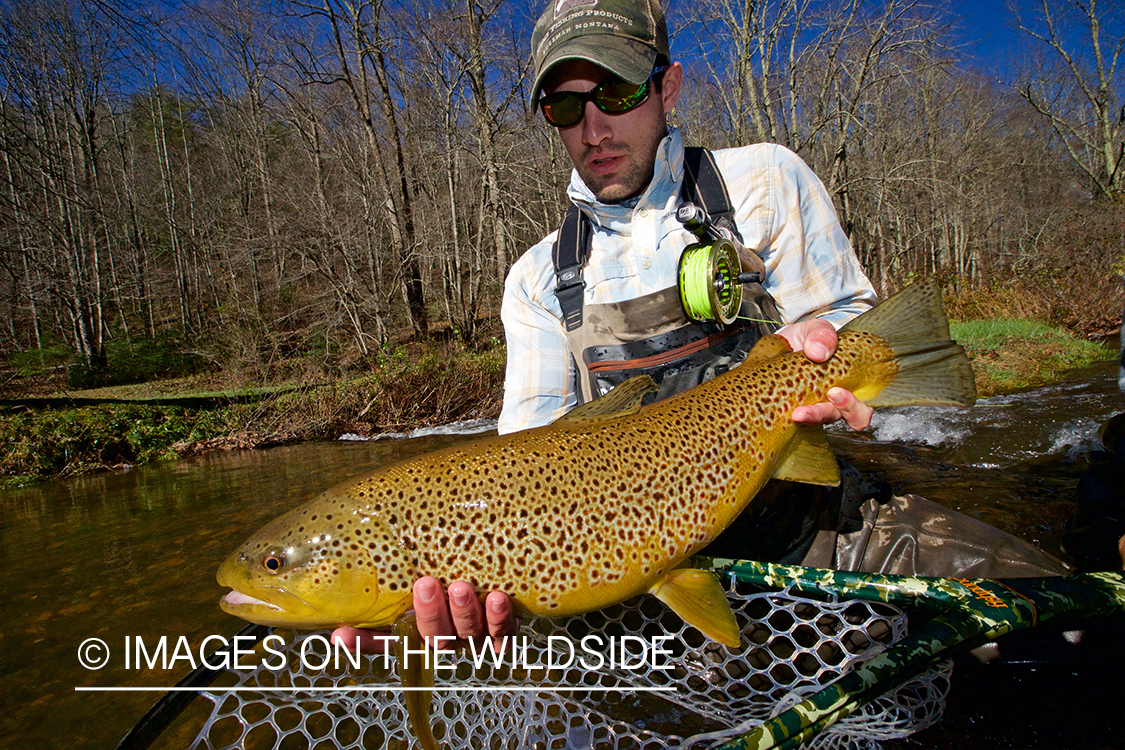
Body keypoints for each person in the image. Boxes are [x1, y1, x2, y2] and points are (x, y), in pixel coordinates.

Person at [334, 0, 1105, 653]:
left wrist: (836, 363)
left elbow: (845, 321)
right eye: (564, 105)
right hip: (640, 582)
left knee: (1068, 629)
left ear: (667, 87)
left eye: (615, 90)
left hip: (815, 532)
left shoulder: (762, 180)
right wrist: (427, 593)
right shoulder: (536, 278)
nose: (592, 126)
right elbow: (522, 458)